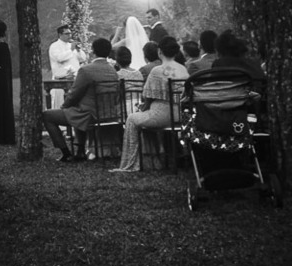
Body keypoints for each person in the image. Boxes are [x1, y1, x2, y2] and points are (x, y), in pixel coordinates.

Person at [111, 37, 190, 172]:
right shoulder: (183, 69)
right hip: (180, 114)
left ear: (160, 52)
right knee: (142, 118)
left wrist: (143, 107)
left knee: (132, 119)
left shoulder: (157, 71)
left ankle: (131, 163)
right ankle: (153, 160)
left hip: (162, 115)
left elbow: (147, 97)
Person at [41, 37, 117, 161]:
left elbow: (74, 94)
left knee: (47, 115)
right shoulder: (113, 71)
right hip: (108, 114)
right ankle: (80, 151)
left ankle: (66, 153)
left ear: (93, 51)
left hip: (89, 115)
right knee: (77, 108)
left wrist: (64, 106)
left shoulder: (86, 70)